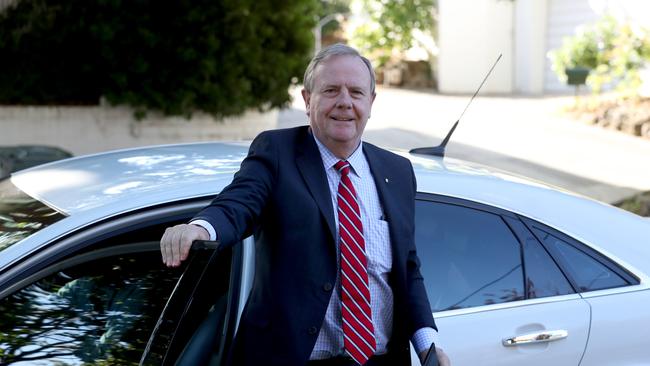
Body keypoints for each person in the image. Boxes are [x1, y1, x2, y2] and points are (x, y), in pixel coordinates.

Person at [160, 43, 450, 366]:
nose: (344, 102)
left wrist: (428, 346)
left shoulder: (397, 172)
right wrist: (199, 228)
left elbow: (406, 268)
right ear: (307, 99)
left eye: (356, 92)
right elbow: (238, 203)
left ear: (371, 102)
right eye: (331, 90)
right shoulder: (277, 154)